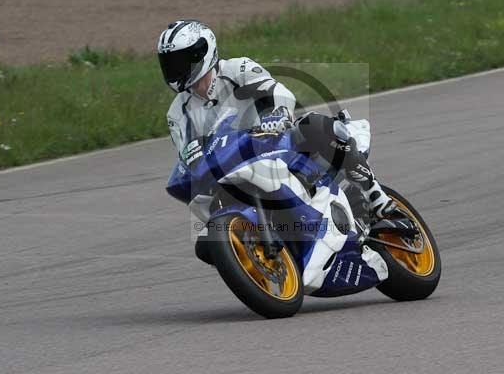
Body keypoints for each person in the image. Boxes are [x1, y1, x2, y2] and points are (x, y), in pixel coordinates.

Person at [158, 19, 394, 292]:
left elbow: (277, 92)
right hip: (231, 169)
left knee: (316, 125)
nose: (174, 69)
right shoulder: (178, 113)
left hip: (274, 142)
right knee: (206, 244)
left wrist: (277, 114)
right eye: (169, 62)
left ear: (201, 52)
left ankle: (377, 197)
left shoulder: (237, 69)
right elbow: (189, 154)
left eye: (179, 60)